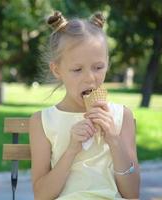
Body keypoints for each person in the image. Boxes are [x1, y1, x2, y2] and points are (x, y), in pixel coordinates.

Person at [29, 11, 140, 200]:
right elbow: (41, 196)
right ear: (57, 69)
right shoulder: (42, 121)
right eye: (77, 70)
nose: (90, 78)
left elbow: (132, 193)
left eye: (98, 67)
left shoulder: (122, 117)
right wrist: (72, 149)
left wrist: (114, 139)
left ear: (108, 64)